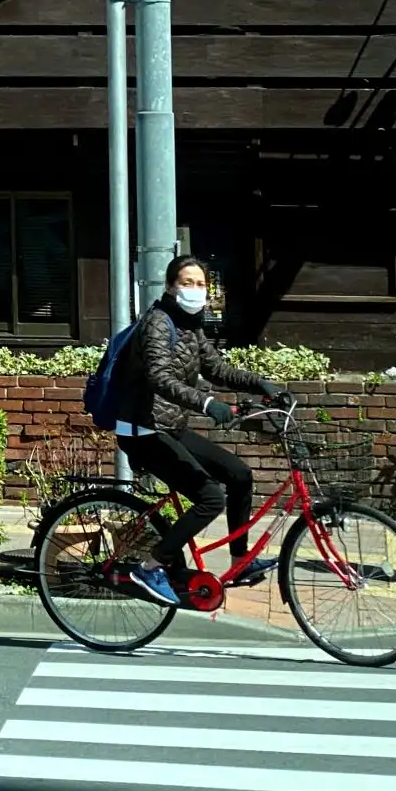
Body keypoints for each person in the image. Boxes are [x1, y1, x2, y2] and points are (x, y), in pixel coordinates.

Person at [108, 257, 289, 609]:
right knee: (210, 498)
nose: (195, 290)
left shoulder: (190, 326)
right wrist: (207, 404)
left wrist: (261, 384)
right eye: (187, 282)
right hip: (142, 430)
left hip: (169, 425)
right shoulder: (158, 323)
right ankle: (151, 566)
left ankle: (241, 562)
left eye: (201, 283)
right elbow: (160, 378)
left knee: (239, 475)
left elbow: (215, 367)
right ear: (170, 287)